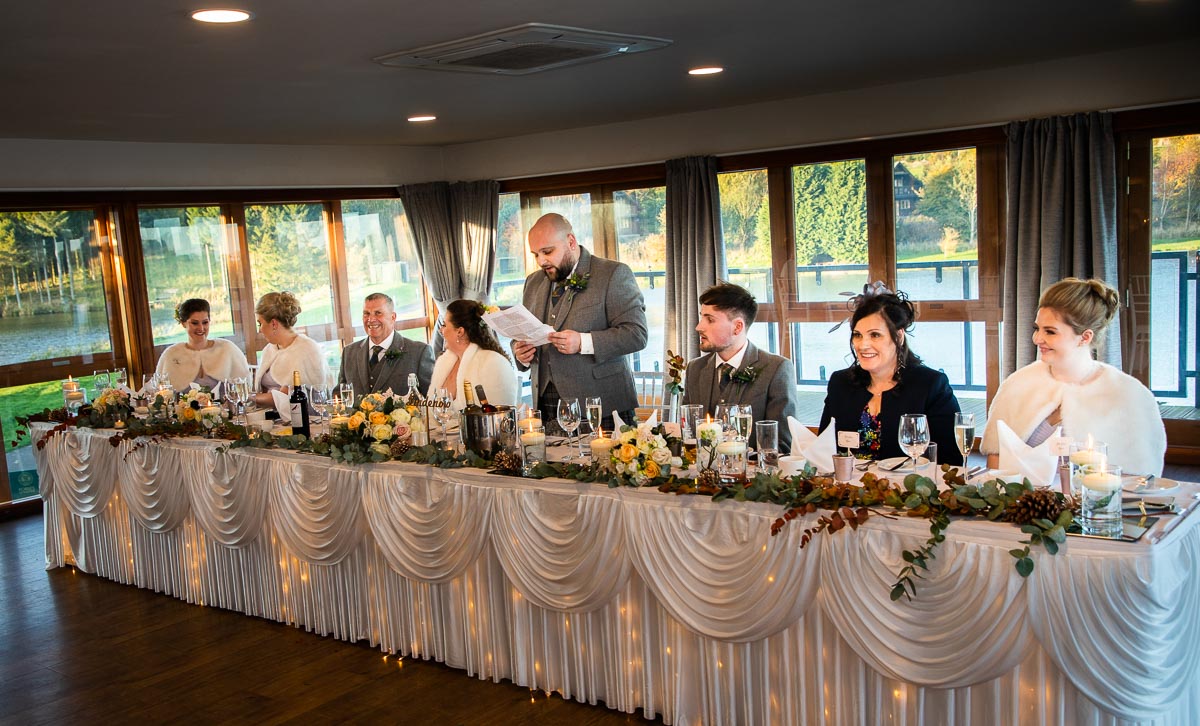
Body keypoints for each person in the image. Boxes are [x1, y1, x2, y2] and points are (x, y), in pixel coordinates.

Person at [981, 278, 1166, 476]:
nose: (1037, 339)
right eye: (1037, 329)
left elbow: (1140, 478)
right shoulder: (1018, 384)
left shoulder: (1128, 394)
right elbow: (995, 459)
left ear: (1085, 337)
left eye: (1050, 331)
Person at [512, 213, 647, 431]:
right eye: (535, 254)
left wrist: (583, 342)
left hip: (601, 405)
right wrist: (520, 352)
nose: (541, 261)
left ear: (571, 241)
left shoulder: (613, 273)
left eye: (548, 251)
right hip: (547, 405)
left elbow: (636, 334)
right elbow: (522, 331)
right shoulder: (533, 282)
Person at [819, 285, 963, 464]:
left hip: (912, 481)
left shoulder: (930, 385)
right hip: (847, 481)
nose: (863, 345)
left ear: (899, 336)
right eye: (857, 335)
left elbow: (951, 460)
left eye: (875, 335)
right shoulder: (840, 383)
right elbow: (823, 450)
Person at [682, 283, 799, 450]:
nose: (699, 327)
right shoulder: (695, 368)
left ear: (737, 327)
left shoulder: (776, 369)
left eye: (710, 320)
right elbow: (688, 433)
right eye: (702, 318)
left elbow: (781, 445)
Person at [427, 299, 519, 411]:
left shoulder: (493, 363)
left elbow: (497, 413)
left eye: (444, 325)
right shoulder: (444, 362)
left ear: (460, 332)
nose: (441, 330)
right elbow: (432, 408)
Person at [339, 292, 435, 397]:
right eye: (366, 313)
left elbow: (431, 398)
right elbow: (340, 395)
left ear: (393, 317)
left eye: (378, 313)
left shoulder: (419, 352)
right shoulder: (348, 353)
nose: (371, 319)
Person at [252, 291, 328, 408]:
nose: (259, 330)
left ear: (274, 324)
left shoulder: (305, 349)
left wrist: (247, 397)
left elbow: (284, 398)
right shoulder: (269, 349)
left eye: (260, 323)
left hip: (301, 415)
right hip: (271, 415)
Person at [154, 298, 249, 390]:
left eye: (205, 322)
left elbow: (245, 387)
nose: (201, 328)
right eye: (195, 323)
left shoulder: (227, 348)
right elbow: (160, 390)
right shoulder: (171, 353)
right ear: (183, 323)